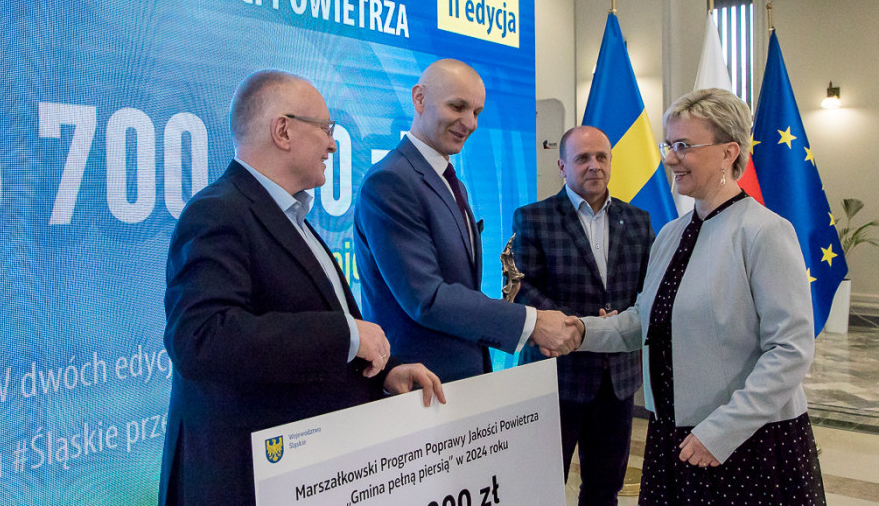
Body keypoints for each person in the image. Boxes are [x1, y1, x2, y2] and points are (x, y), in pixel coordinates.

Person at [158, 70, 445, 506]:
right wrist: (347, 335)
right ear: (283, 131)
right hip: (247, 480)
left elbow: (310, 329)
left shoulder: (290, 216)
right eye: (326, 129)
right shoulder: (218, 212)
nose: (333, 144)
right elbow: (202, 338)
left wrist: (386, 372)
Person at [574, 87, 826, 505]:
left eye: (683, 146)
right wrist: (579, 331)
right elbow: (646, 320)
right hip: (673, 434)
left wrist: (721, 431)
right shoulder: (671, 234)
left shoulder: (765, 232)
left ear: (729, 152)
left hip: (745, 440)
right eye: (669, 145)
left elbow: (790, 350)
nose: (670, 158)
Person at [354, 58, 581, 383]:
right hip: (418, 384)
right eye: (457, 107)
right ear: (419, 98)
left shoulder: (452, 182)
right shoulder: (390, 181)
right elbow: (428, 298)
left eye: (476, 112)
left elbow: (460, 289)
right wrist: (531, 323)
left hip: (461, 382)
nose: (470, 123)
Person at [508, 125, 653, 505]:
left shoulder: (638, 220)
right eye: (583, 158)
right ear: (562, 166)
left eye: (601, 157)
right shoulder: (533, 218)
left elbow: (649, 289)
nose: (594, 166)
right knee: (540, 489)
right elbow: (522, 288)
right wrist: (584, 327)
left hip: (618, 380)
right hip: (557, 375)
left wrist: (617, 323)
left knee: (605, 490)